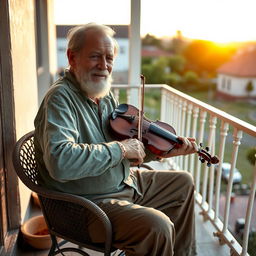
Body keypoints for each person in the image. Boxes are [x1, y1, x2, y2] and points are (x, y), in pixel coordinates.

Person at [34, 23, 198, 256]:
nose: (104, 65)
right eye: (95, 56)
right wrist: (120, 149)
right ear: (72, 57)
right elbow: (60, 162)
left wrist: (162, 151)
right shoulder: (60, 98)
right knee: (157, 227)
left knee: (183, 183)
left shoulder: (103, 94)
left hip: (123, 182)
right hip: (88, 205)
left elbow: (129, 149)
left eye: (109, 58)